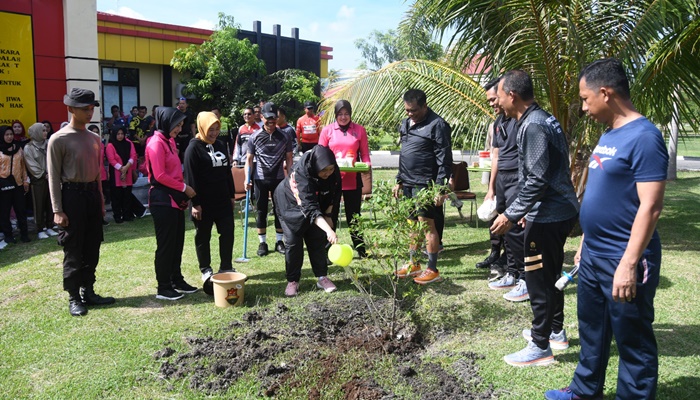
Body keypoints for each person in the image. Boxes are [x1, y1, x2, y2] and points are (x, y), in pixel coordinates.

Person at [544, 59, 668, 400]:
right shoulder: (610, 134)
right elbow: (603, 193)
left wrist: (629, 262)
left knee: (632, 336)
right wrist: (586, 239)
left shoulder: (644, 137)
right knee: (592, 329)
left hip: (624, 256)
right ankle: (584, 392)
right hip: (595, 253)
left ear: (605, 93)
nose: (584, 107)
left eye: (585, 99)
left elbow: (651, 205)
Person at [490, 70, 578, 366]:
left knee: (538, 279)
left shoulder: (535, 126)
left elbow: (537, 179)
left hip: (551, 214)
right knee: (550, 274)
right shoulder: (539, 119)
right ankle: (555, 331)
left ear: (512, 95)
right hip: (552, 211)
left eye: (499, 96)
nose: (497, 102)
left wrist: (512, 214)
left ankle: (540, 346)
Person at [47, 88, 115, 316]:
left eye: (92, 108)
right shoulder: (58, 139)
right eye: (85, 108)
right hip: (71, 195)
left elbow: (97, 174)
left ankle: (89, 291)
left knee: (93, 245)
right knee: (74, 248)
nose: (90, 112)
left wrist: (101, 203)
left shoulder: (95, 138)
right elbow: (53, 177)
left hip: (91, 196)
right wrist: (58, 210)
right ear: (70, 109)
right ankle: (74, 297)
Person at [392, 89, 453, 285]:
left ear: (425, 106)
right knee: (412, 224)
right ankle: (414, 263)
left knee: (427, 224)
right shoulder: (406, 123)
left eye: (414, 111)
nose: (410, 114)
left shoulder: (437, 125)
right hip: (408, 183)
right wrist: (399, 179)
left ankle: (432, 268)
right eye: (407, 110)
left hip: (425, 184)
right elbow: (405, 153)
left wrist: (441, 189)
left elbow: (445, 160)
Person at [145, 107, 198, 301]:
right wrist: (184, 187)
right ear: (166, 123)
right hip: (162, 200)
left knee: (177, 244)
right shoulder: (156, 143)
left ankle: (176, 279)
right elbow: (159, 175)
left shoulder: (169, 141)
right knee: (166, 245)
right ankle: (163, 287)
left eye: (181, 125)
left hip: (174, 200)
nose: (179, 128)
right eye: (177, 125)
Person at [273, 145, 341, 296]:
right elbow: (309, 208)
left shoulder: (332, 170)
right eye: (324, 170)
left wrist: (328, 216)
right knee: (293, 242)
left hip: (315, 203)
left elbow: (334, 194)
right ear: (316, 166)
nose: (328, 173)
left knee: (317, 238)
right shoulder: (299, 174)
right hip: (289, 204)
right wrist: (329, 230)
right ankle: (293, 281)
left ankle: (322, 277)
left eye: (331, 169)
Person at [483, 77, 527, 302]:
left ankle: (524, 278)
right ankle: (511, 272)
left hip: (519, 180)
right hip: (503, 181)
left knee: (519, 231)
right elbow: (496, 156)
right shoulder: (499, 122)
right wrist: (491, 188)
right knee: (506, 233)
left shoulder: (522, 120)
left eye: (495, 98)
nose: (493, 103)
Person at [183, 111, 236, 295]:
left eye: (216, 129)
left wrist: (231, 195)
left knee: (227, 232)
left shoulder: (220, 144)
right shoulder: (193, 148)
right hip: (203, 203)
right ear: (202, 127)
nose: (213, 133)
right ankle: (205, 269)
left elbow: (227, 172)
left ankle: (226, 267)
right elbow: (190, 177)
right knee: (203, 236)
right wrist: (195, 203)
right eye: (210, 129)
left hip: (222, 200)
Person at [318, 100, 371, 257]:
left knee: (354, 216)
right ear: (335, 115)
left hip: (352, 180)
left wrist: (367, 164)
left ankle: (360, 248)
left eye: (346, 113)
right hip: (331, 180)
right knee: (330, 215)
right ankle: (328, 249)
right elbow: (319, 154)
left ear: (351, 114)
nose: (343, 117)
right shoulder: (327, 131)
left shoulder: (359, 130)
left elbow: (365, 154)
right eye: (340, 114)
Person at [245, 102, 293, 256]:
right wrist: (247, 178)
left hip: (279, 179)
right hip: (260, 179)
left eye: (274, 118)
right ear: (262, 117)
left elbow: (289, 160)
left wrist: (291, 178)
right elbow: (249, 160)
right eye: (268, 118)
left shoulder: (285, 136)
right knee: (261, 211)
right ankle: (262, 243)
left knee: (280, 210)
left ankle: (279, 241)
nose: (271, 121)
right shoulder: (254, 137)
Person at [23, 123, 58, 239]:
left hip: (51, 177)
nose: (45, 132)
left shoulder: (49, 144)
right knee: (39, 204)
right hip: (38, 180)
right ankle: (40, 228)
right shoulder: (29, 148)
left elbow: (55, 158)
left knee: (51, 202)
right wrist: (44, 174)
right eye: (42, 130)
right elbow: (31, 165)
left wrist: (52, 172)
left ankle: (50, 225)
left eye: (45, 130)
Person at [0, 125, 30, 248]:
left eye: (11, 134)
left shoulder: (18, 149)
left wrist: (25, 181)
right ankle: (8, 235)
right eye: (6, 134)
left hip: (17, 184)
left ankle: (24, 234)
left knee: (20, 210)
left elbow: (23, 166)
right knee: (4, 211)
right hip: (4, 185)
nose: (9, 137)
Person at [105, 126, 137, 223]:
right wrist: (122, 169)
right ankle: (118, 216)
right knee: (116, 196)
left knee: (127, 195)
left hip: (127, 172)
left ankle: (127, 215)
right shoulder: (110, 145)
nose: (120, 136)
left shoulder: (128, 144)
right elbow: (111, 160)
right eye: (118, 134)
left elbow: (133, 155)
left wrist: (127, 167)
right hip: (116, 174)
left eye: (122, 134)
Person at [175, 97, 196, 162]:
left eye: (183, 103)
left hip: (186, 137)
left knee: (186, 153)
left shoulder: (190, 114)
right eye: (180, 103)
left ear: (186, 105)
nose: (181, 105)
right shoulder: (176, 113)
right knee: (176, 153)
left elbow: (192, 125)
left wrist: (194, 136)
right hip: (177, 136)